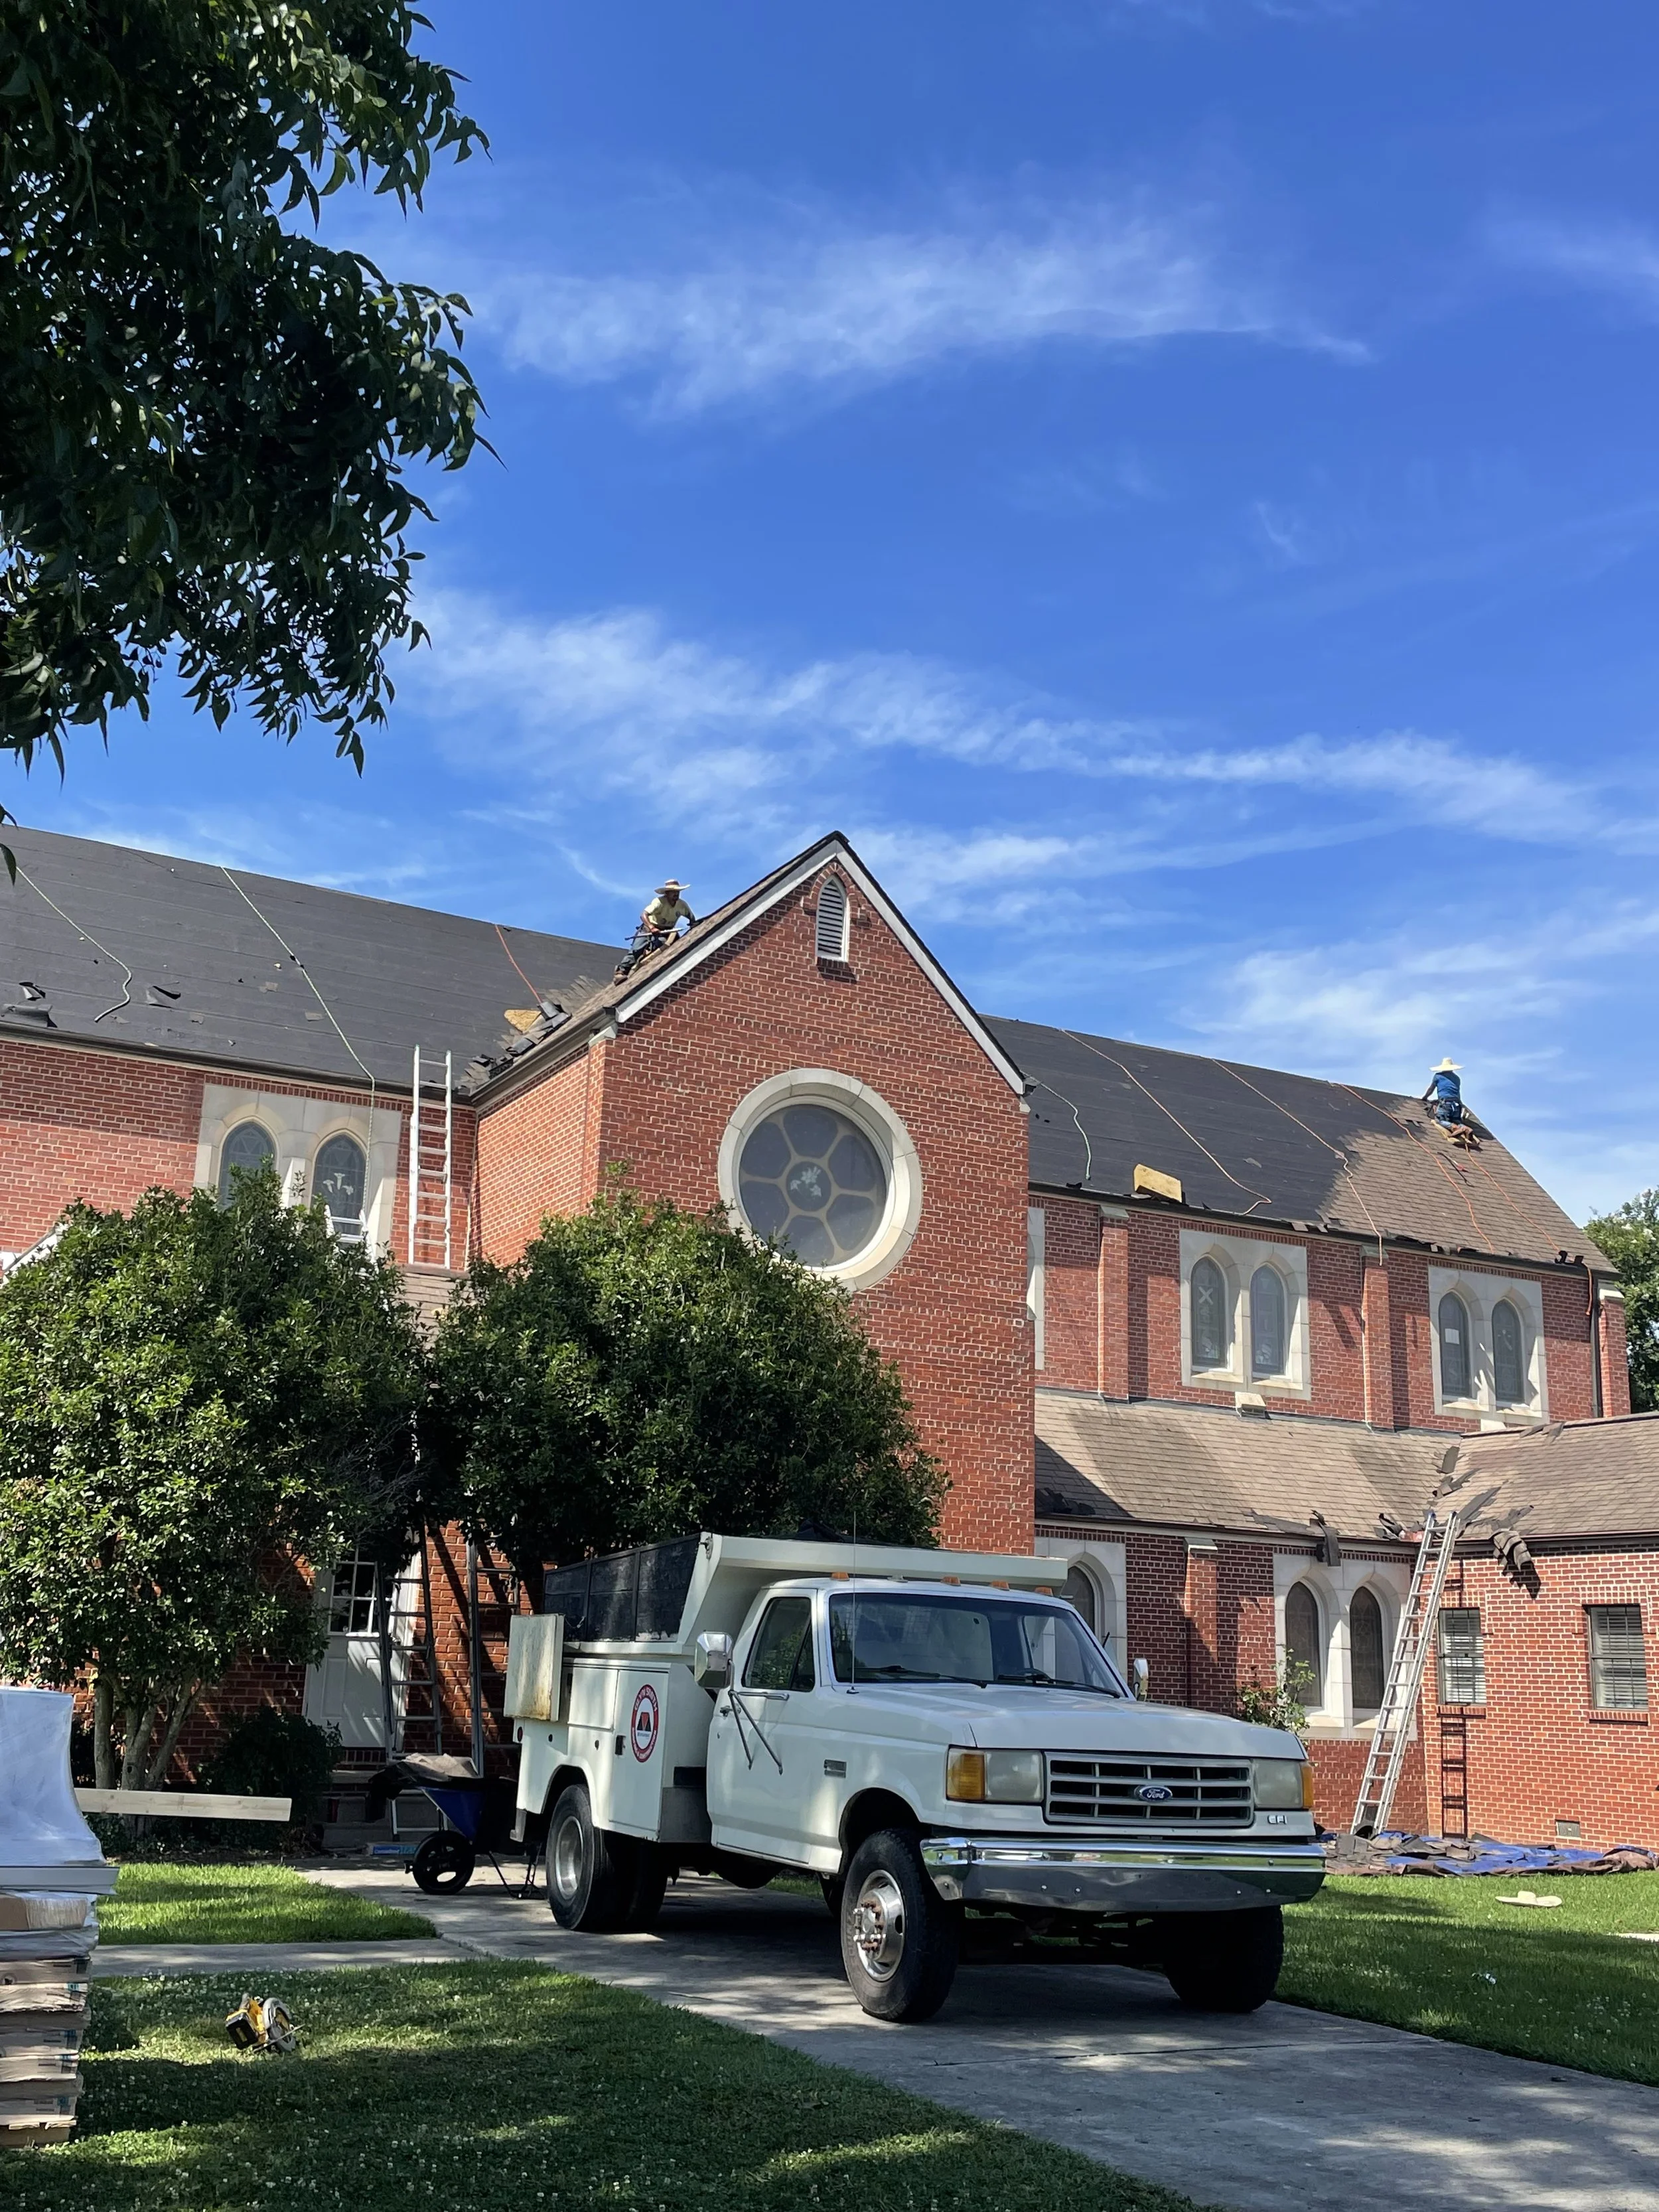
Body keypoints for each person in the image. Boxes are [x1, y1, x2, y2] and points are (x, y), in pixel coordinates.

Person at [614, 879, 695, 980]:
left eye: (678, 892)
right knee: (638, 948)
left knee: (671, 947)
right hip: (649, 930)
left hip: (667, 932)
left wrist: (693, 925)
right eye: (674, 892)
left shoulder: (682, 905)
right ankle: (621, 972)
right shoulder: (659, 902)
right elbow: (644, 915)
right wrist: (652, 927)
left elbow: (691, 918)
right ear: (667, 893)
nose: (676, 894)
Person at [1421, 1057, 1466, 1129]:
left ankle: (1455, 1128)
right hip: (1457, 1104)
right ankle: (1465, 1128)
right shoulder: (1457, 1078)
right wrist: (1461, 1104)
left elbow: (1431, 1089)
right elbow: (1457, 1093)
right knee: (1456, 1120)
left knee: (1439, 1121)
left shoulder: (1438, 1076)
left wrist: (1425, 1097)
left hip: (1446, 1103)